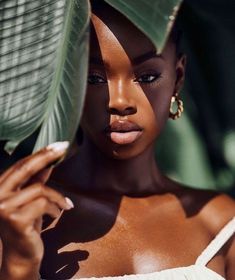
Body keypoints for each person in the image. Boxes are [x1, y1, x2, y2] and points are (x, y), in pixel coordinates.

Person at [0, 1, 234, 280]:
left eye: (147, 76)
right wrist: (19, 266)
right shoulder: (21, 218)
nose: (120, 101)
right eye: (95, 78)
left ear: (178, 78)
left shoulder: (221, 223)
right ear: (68, 81)